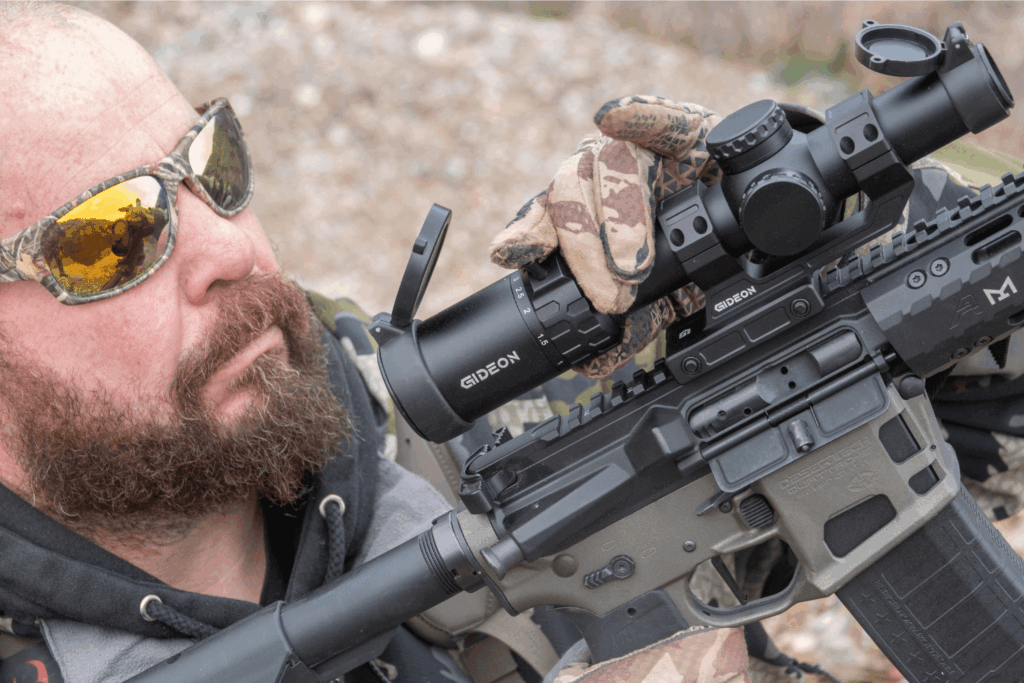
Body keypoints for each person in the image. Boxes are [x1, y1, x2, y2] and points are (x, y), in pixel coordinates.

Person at [0, 5, 1020, 683]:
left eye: (210, 166)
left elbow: (986, 424)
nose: (229, 245)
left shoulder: (459, 424)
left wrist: (835, 250)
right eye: (112, 235)